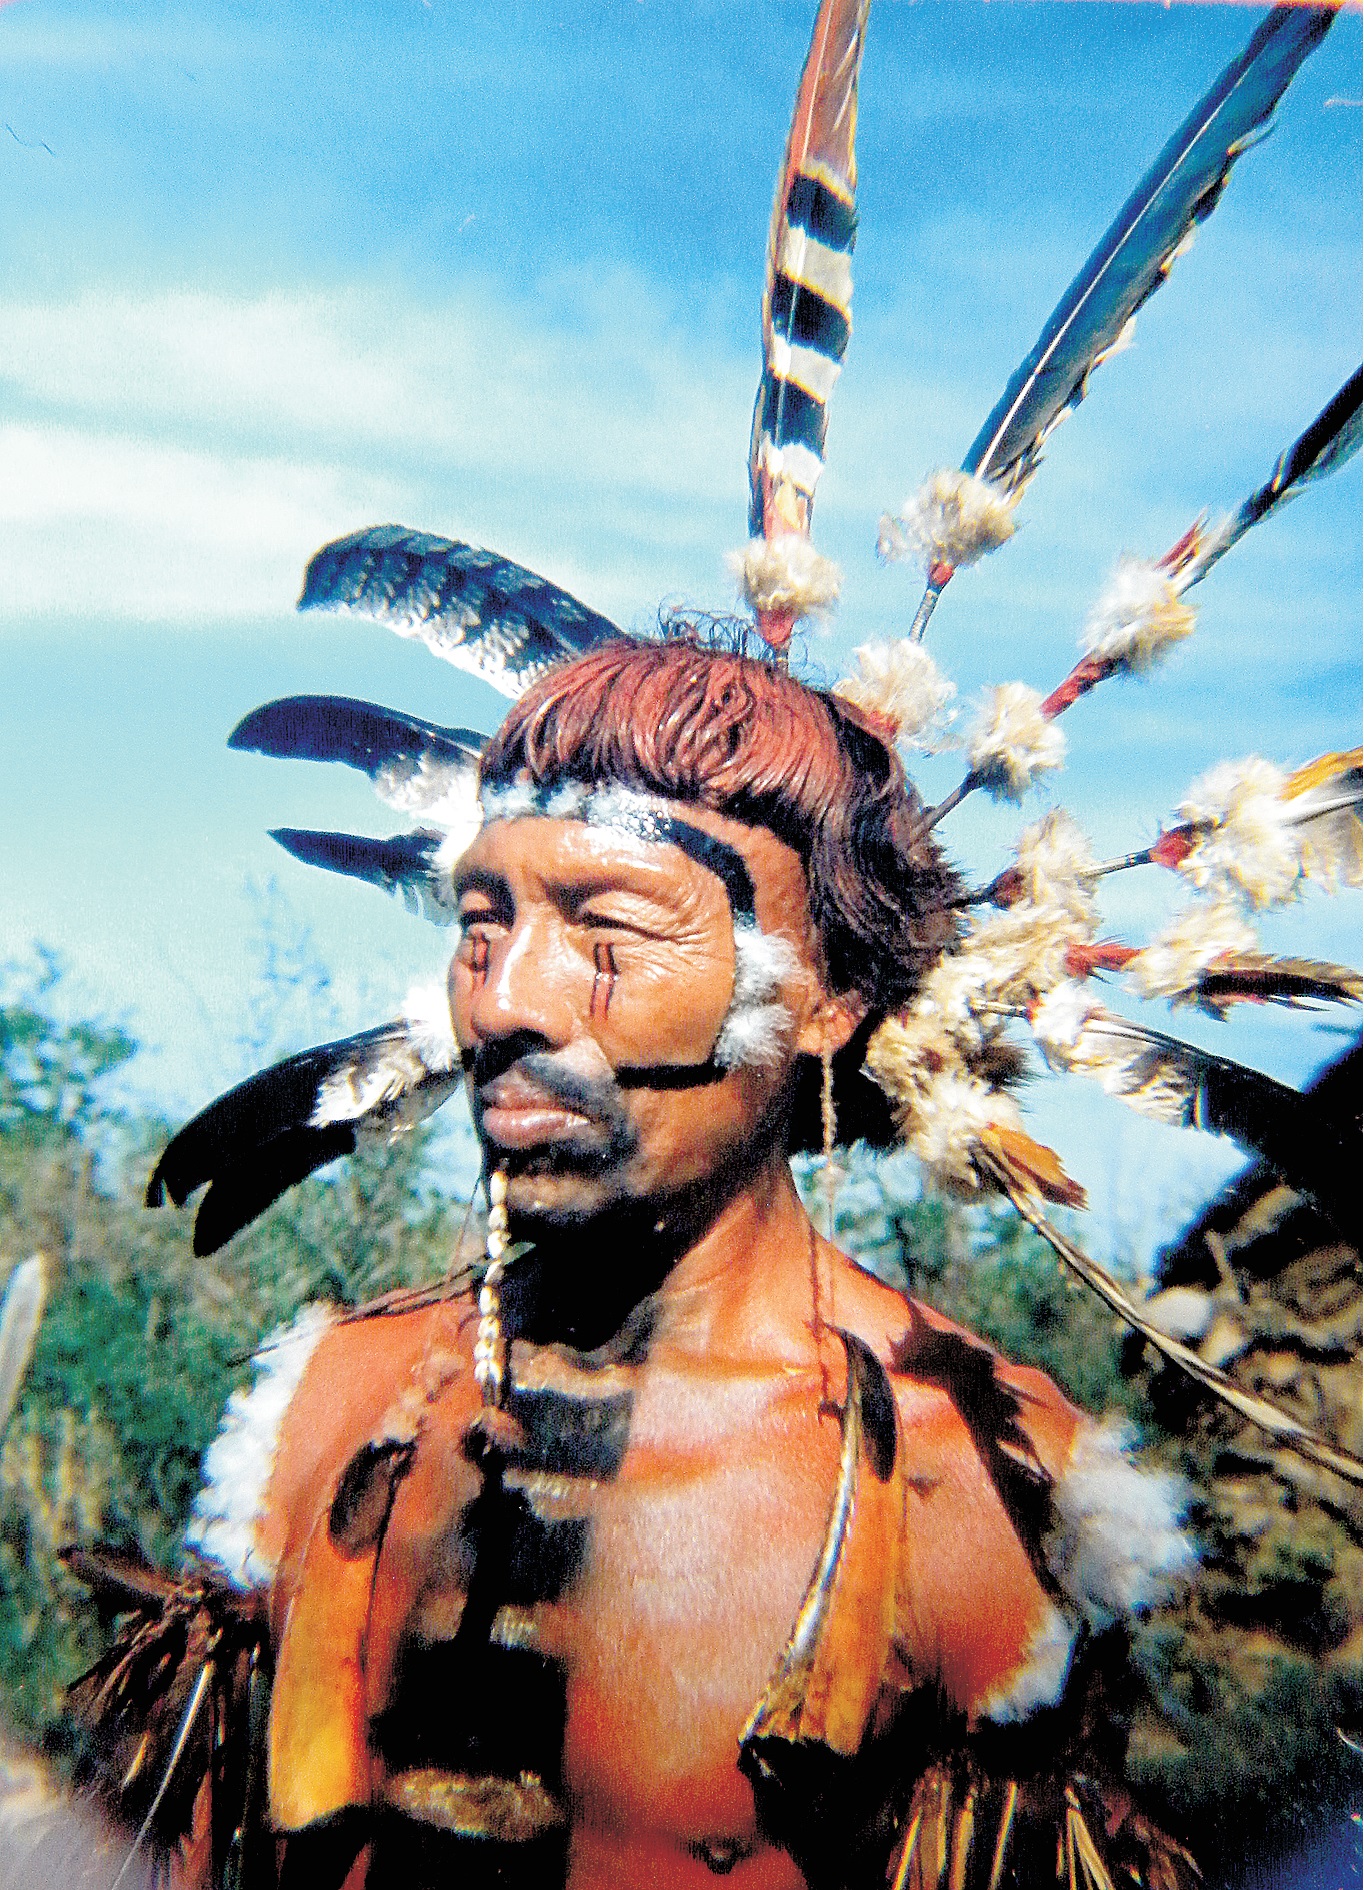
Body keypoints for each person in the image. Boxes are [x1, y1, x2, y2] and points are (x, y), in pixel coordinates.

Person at [101, 641, 1190, 1890]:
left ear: (827, 995)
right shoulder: (324, 1406)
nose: (506, 999)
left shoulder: (972, 1482)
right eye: (479, 924)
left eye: (609, 933)